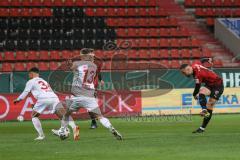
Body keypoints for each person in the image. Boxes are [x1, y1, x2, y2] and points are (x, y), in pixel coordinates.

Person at [52, 48, 123, 140]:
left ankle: (63, 130)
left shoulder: (77, 64)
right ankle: (111, 128)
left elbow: (71, 68)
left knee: (65, 113)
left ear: (83, 56)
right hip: (89, 96)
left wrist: (70, 64)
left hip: (77, 97)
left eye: (80, 55)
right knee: (100, 116)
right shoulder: (94, 66)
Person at [14, 67, 78, 140]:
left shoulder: (31, 81)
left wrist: (18, 99)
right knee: (63, 115)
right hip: (54, 97)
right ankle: (74, 128)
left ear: (31, 74)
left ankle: (41, 136)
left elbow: (25, 92)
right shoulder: (44, 81)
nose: (29, 76)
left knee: (34, 116)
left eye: (29, 74)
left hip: (43, 99)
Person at [179, 58, 224, 133]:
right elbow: (201, 61)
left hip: (218, 85)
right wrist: (207, 59)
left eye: (184, 72)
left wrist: (194, 94)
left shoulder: (198, 75)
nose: (184, 74)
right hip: (209, 85)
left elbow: (197, 87)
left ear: (188, 69)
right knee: (202, 92)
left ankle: (202, 127)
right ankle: (204, 110)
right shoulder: (194, 65)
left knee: (210, 104)